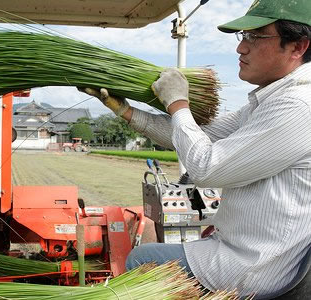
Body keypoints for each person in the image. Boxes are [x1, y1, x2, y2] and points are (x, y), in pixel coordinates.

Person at [81, 0, 311, 298]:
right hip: (241, 249)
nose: (241, 48)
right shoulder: (270, 101)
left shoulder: (297, 106)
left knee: (142, 258)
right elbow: (197, 134)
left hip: (253, 264)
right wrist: (126, 111)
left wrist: (178, 103)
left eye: (256, 36)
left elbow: (206, 167)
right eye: (243, 37)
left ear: (298, 47)